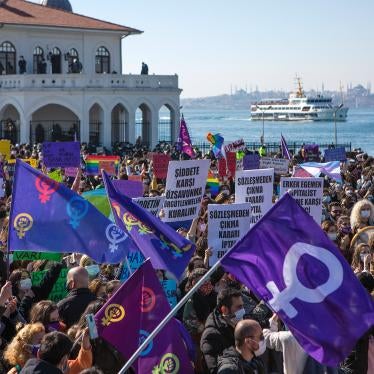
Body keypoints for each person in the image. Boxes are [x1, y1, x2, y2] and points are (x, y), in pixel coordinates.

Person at [200, 288, 245, 373]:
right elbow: (214, 369)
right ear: (224, 310)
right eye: (239, 307)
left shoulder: (238, 325)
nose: (243, 311)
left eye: (243, 306)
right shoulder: (211, 335)